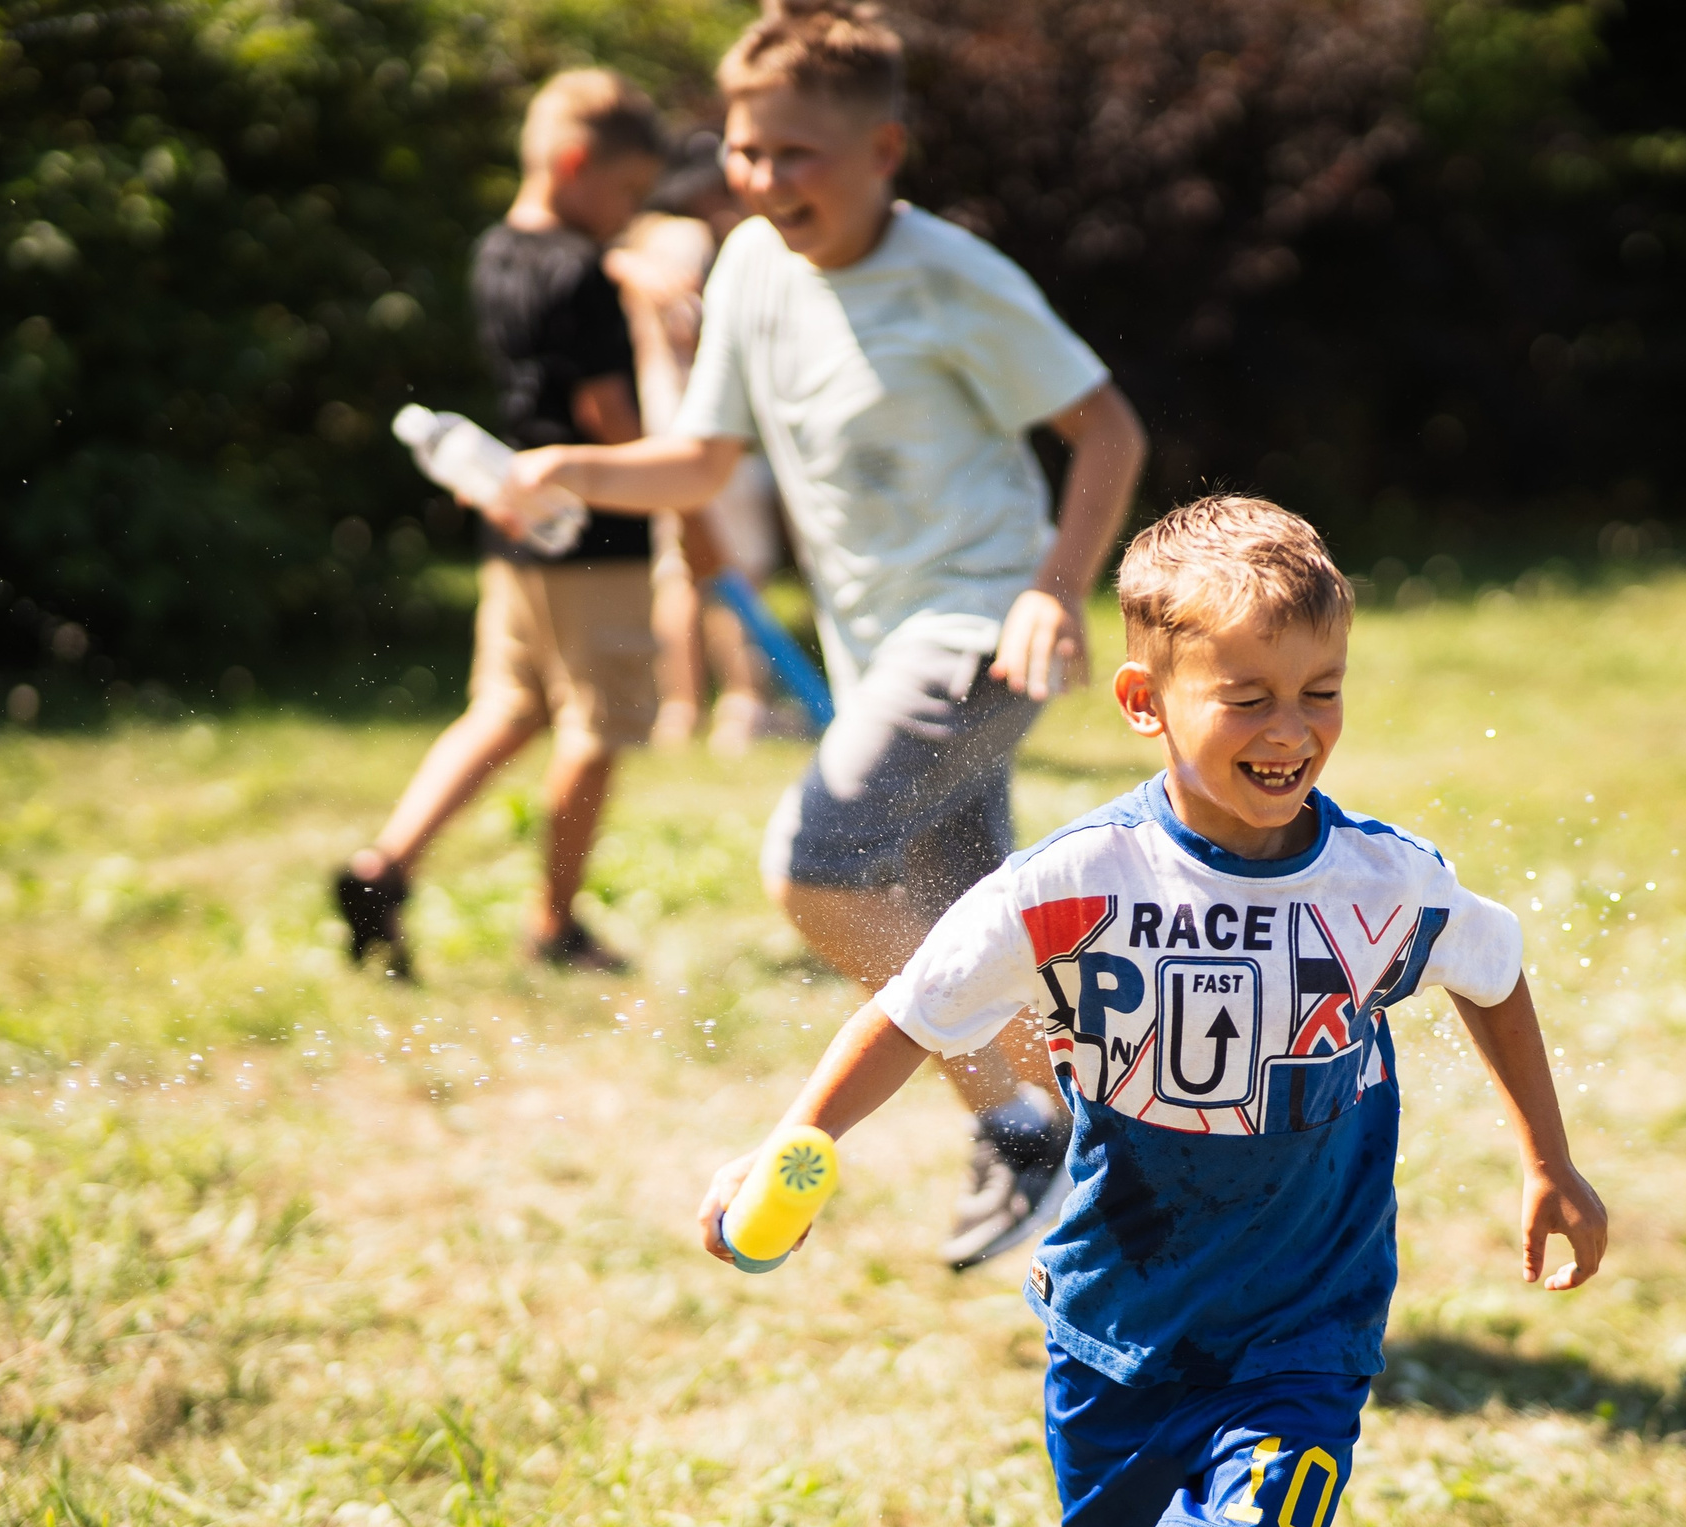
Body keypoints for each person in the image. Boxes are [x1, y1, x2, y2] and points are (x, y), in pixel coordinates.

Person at [697, 497, 1609, 1527]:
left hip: (1301, 1326)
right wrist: (794, 1141)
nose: (1292, 731)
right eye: (1247, 698)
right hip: (1118, 1317)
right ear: (1145, 703)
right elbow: (910, 1014)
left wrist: (1548, 1160)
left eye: (1320, 692)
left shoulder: (1381, 883)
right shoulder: (1072, 886)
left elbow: (1491, 976)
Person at [499, 0, 1149, 1268]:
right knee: (969, 926)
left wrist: (1056, 587)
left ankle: (1025, 1129)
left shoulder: (955, 278)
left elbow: (1107, 430)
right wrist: (570, 468)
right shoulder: (748, 267)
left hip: (983, 628)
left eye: (795, 153)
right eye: (745, 151)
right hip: (877, 650)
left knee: (818, 869)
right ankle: (1108, 1154)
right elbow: (700, 461)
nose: (763, 177)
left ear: (882, 152)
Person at [334, 70, 666, 977]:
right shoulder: (582, 272)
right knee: (597, 728)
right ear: (574, 164)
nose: (631, 214)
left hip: (512, 514)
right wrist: (668, 486)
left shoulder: (496, 253)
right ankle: (554, 922)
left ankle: (385, 865)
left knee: (509, 705)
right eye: (628, 191)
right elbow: (605, 411)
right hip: (594, 530)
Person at [610, 136, 786, 756]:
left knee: (680, 572)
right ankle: (743, 705)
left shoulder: (638, 242)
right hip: (709, 430)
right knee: (738, 570)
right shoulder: (687, 238)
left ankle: (680, 712)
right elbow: (689, 322)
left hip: (665, 427)